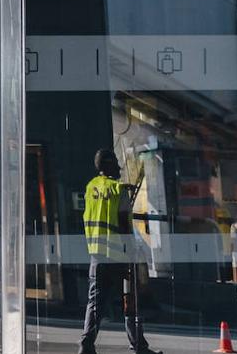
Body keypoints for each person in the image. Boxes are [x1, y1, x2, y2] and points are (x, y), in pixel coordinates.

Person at [79, 147, 161, 354]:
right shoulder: (119, 191)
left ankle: (86, 345)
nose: (119, 166)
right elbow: (124, 225)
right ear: (107, 164)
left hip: (97, 255)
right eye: (115, 162)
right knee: (130, 301)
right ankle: (138, 346)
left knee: (95, 302)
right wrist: (132, 254)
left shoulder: (91, 187)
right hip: (118, 255)